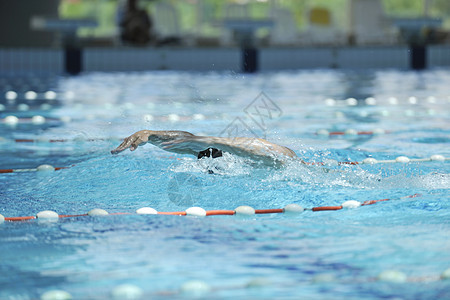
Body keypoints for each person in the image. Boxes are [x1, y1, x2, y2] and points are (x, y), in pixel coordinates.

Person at [111, 130, 302, 167]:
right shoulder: (217, 156)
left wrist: (213, 141)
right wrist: (152, 136)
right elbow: (191, 142)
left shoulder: (284, 161)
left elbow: (282, 156)